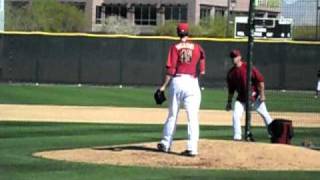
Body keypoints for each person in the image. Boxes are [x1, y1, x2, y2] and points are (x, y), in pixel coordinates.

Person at [157, 23, 206, 157]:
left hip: (178, 81)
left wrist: (163, 87)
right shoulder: (197, 47)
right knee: (193, 117)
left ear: (178, 33)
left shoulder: (175, 47)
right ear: (188, 33)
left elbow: (171, 70)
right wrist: (201, 70)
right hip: (192, 82)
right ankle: (193, 149)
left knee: (173, 114)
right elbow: (202, 58)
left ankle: (166, 144)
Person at [225, 49, 273, 141]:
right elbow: (231, 90)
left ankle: (273, 134)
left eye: (235, 56)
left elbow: (260, 80)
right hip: (241, 99)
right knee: (236, 115)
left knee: (265, 114)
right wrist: (229, 102)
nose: (233, 59)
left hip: (254, 97)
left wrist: (262, 94)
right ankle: (237, 136)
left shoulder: (248, 67)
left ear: (240, 57)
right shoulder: (231, 73)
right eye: (232, 57)